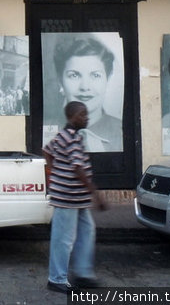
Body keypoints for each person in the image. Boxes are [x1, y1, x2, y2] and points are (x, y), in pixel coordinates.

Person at [43, 101, 107, 294]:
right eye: (82, 114)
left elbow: (47, 151)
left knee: (87, 232)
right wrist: (96, 194)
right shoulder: (70, 137)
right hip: (67, 198)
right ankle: (56, 279)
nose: (86, 117)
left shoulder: (66, 135)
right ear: (71, 116)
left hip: (76, 198)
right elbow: (78, 167)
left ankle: (82, 274)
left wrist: (56, 171)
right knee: (63, 239)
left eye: (86, 114)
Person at [53, 35, 123, 152]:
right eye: (74, 75)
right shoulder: (47, 133)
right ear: (60, 82)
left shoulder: (122, 131)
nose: (85, 87)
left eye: (95, 75)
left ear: (108, 80)